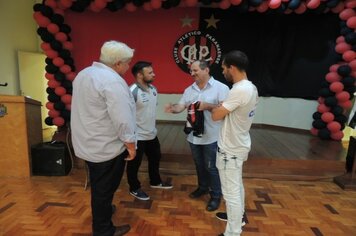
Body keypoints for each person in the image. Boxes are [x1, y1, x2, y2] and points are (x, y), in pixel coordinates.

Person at [71, 40, 136, 236]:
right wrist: (130, 145)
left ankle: (104, 210)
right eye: (127, 63)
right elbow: (122, 117)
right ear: (117, 63)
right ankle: (103, 230)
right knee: (104, 189)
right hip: (106, 146)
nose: (128, 67)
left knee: (100, 186)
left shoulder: (83, 74)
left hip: (88, 142)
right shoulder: (113, 80)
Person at [165, 60, 229, 211]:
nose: (192, 73)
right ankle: (203, 187)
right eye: (191, 71)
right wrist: (173, 108)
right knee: (199, 165)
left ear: (206, 70)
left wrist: (207, 106)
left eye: (195, 71)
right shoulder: (190, 90)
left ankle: (215, 195)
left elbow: (226, 110)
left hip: (212, 136)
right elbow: (182, 105)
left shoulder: (221, 88)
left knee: (211, 167)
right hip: (194, 136)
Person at [211, 50, 258, 236]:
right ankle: (240, 219)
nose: (222, 72)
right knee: (237, 186)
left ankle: (232, 232)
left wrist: (217, 108)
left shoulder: (239, 89)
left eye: (223, 68)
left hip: (230, 149)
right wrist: (222, 106)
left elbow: (216, 116)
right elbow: (229, 109)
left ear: (232, 67)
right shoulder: (250, 87)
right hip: (238, 144)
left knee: (231, 195)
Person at [127, 61, 173, 201]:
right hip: (137, 136)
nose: (154, 74)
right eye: (150, 72)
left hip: (151, 133)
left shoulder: (153, 89)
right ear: (139, 75)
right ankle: (134, 188)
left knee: (155, 157)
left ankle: (155, 181)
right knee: (134, 163)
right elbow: (126, 114)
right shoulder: (132, 91)